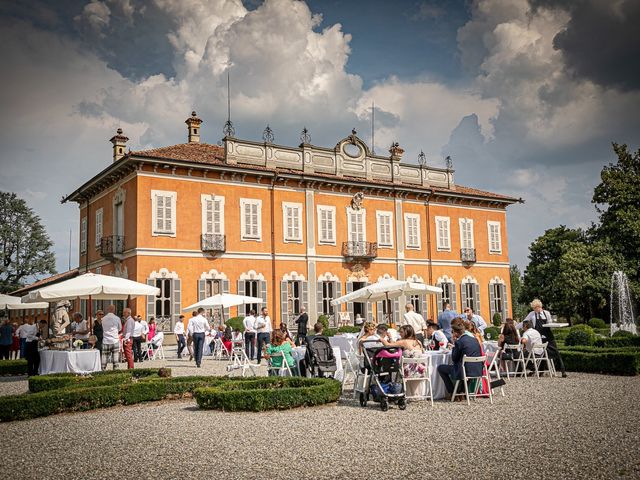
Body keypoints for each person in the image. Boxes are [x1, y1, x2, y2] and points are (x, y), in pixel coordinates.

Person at [437, 319, 483, 399]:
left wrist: (455, 344)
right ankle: (461, 392)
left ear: (455, 332)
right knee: (465, 366)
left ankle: (452, 392)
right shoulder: (474, 339)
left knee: (441, 368)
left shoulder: (459, 342)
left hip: (464, 371)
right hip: (478, 369)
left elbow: (454, 358)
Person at [523, 299, 567, 377]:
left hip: (548, 335)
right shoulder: (532, 314)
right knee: (541, 353)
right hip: (539, 337)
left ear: (539, 307)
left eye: (535, 308)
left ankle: (563, 371)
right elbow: (524, 322)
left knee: (556, 352)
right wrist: (515, 327)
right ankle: (539, 371)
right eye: (533, 308)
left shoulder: (546, 313)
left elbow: (549, 324)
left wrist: (553, 325)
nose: (534, 309)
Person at [101, 305, 121, 370]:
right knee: (115, 358)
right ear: (114, 310)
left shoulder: (103, 319)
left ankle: (102, 370)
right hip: (114, 340)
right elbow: (120, 328)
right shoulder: (117, 318)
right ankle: (115, 371)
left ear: (108, 310)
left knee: (104, 358)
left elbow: (102, 328)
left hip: (106, 340)